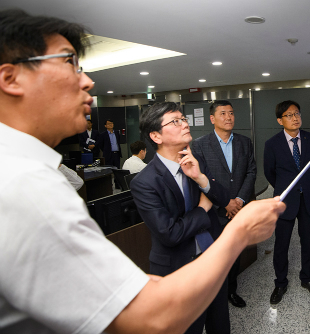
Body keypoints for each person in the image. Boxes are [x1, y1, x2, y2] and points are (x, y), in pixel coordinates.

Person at [0, 9, 285, 334]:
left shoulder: (26, 171)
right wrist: (241, 231)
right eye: (70, 64)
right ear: (11, 79)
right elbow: (152, 318)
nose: (88, 80)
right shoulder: (25, 185)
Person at [130, 102, 232, 334]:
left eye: (183, 119)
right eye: (175, 121)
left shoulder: (197, 160)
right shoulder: (144, 182)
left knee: (220, 324)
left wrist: (201, 179)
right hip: (178, 269)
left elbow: (224, 198)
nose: (185, 124)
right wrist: (203, 209)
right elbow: (170, 233)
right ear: (156, 135)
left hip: (213, 260)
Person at [192, 100, 257, 308]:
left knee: (234, 254)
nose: (228, 117)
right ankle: (213, 295)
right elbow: (202, 178)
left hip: (239, 210)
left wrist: (239, 201)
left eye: (231, 113)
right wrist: (225, 203)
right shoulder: (200, 145)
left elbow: (251, 172)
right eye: (223, 114)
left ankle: (231, 290)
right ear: (212, 118)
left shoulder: (245, 142)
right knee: (215, 255)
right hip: (216, 212)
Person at [263, 100, 310, 305]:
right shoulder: (272, 144)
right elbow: (270, 172)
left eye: (297, 113)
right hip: (285, 202)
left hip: (307, 200)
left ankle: (307, 278)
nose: (295, 118)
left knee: (308, 242)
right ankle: (280, 282)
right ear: (280, 120)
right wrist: (284, 190)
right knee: (281, 244)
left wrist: (303, 186)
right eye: (289, 115)